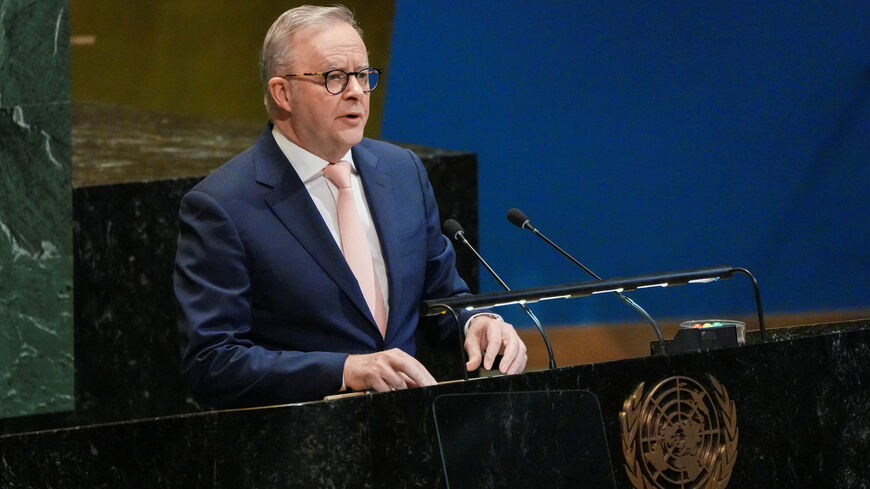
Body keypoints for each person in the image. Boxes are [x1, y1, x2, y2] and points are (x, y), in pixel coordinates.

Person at [173, 4, 526, 407]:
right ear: (282, 93)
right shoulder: (223, 205)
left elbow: (442, 298)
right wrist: (345, 370)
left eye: (362, 75)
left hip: (413, 441)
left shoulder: (402, 173)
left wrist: (477, 323)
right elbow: (212, 362)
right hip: (303, 451)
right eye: (334, 78)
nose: (356, 90)